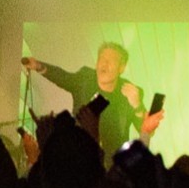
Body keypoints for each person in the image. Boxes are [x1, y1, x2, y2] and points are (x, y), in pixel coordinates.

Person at [22, 41, 163, 159]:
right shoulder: (85, 79)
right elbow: (63, 77)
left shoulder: (131, 91)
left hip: (112, 164)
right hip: (80, 155)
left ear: (122, 68)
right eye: (101, 59)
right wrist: (38, 66)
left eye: (110, 61)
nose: (103, 64)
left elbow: (146, 130)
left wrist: (137, 105)